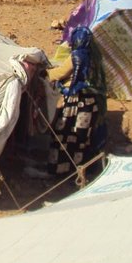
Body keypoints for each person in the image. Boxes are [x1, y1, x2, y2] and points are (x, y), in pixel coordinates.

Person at [45, 26, 107, 182]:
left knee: (64, 133)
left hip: (76, 102)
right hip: (92, 104)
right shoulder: (96, 57)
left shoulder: (77, 56)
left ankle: (59, 170)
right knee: (82, 136)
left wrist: (45, 73)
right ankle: (80, 169)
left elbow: (60, 73)